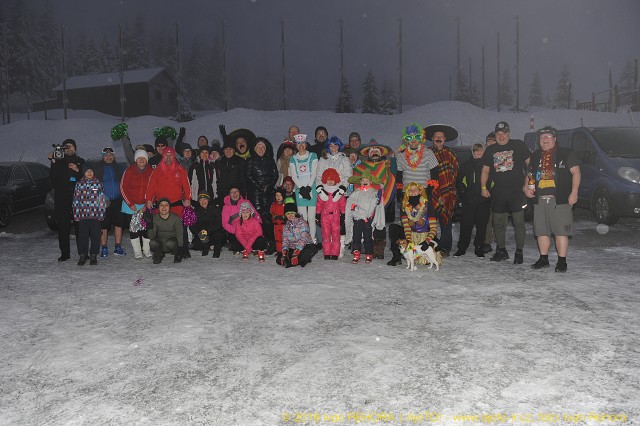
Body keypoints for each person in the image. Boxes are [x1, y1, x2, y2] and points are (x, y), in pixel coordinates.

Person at [525, 126, 581, 272]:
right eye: (542, 137)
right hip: (540, 200)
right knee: (541, 231)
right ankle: (543, 259)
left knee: (561, 231)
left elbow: (576, 172)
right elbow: (530, 174)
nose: (545, 140)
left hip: (559, 200)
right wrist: (526, 187)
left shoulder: (566, 153)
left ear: (555, 139)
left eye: (548, 137)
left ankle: (562, 262)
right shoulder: (535, 155)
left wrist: (574, 192)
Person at [480, 121, 531, 264]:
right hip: (499, 192)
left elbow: (530, 164)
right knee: (498, 222)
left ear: (509, 133)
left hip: (517, 192)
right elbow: (485, 170)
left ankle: (519, 252)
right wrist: (483, 187)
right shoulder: (491, 150)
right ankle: (501, 251)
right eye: (498, 134)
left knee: (518, 222)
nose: (501, 136)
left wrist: (528, 184)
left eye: (503, 133)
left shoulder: (518, 145)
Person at [145, 146, 192, 259]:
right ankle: (159, 250)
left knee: (181, 228)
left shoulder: (180, 170)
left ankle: (183, 249)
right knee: (158, 228)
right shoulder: (156, 171)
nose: (169, 157)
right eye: (166, 155)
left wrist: (188, 198)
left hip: (176, 204)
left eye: (171, 155)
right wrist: (148, 199)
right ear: (163, 156)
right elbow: (151, 186)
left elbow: (187, 185)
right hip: (161, 205)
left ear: (174, 156)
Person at [425, 124, 460, 256]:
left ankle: (445, 248)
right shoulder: (426, 153)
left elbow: (456, 172)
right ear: (432, 138)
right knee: (429, 222)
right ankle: (431, 246)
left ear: (445, 139)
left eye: (441, 137)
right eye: (436, 136)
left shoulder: (450, 153)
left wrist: (450, 188)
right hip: (430, 192)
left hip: (447, 193)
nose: (438, 138)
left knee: (446, 222)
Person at [48, 138, 85, 261]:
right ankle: (65, 253)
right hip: (62, 198)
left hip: (78, 198)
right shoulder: (58, 161)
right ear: (62, 149)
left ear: (75, 148)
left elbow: (87, 179)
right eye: (66, 146)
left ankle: (83, 252)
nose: (69, 148)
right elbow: (52, 179)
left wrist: (77, 170)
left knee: (80, 227)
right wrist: (53, 161)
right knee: (63, 227)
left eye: (71, 146)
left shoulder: (81, 161)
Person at [454, 144, 492, 257]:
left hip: (484, 202)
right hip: (468, 202)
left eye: (481, 150)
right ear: (472, 152)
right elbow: (459, 181)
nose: (479, 152)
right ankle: (462, 247)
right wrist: (464, 195)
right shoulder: (465, 166)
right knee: (465, 226)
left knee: (482, 227)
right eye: (476, 151)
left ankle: (479, 247)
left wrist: (489, 195)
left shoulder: (488, 166)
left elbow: (493, 182)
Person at [245, 137, 278, 251]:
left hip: (268, 192)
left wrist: (268, 186)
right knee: (258, 216)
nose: (261, 149)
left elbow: (275, 175)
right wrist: (259, 187)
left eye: (263, 147)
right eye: (258, 147)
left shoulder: (270, 160)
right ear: (254, 149)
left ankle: (272, 241)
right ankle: (261, 241)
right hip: (255, 193)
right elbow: (248, 176)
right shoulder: (250, 160)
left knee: (268, 215)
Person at [345, 171, 385, 263]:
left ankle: (369, 253)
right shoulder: (356, 192)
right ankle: (356, 253)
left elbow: (377, 201)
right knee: (356, 236)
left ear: (371, 182)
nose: (365, 182)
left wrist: (381, 190)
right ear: (360, 182)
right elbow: (350, 203)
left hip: (368, 219)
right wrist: (355, 208)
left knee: (368, 237)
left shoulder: (373, 192)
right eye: (363, 181)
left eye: (367, 181)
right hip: (357, 218)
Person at [93, 146, 126, 258]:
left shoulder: (118, 167)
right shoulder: (98, 168)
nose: (108, 157)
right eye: (106, 155)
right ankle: (104, 248)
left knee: (119, 224)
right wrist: (99, 198)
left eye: (110, 155)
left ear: (114, 156)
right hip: (104, 201)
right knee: (104, 226)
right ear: (103, 157)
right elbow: (94, 185)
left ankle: (118, 247)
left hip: (118, 199)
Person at [120, 149, 153, 259]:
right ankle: (137, 251)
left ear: (147, 160)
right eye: (139, 158)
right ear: (135, 160)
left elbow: (154, 189)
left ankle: (146, 249)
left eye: (144, 158)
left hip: (145, 205)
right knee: (134, 229)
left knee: (146, 228)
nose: (141, 160)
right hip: (131, 205)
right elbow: (123, 188)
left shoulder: (151, 171)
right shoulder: (129, 171)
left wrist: (148, 204)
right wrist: (130, 204)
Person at [72, 164, 107, 266]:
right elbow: (76, 200)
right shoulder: (79, 184)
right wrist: (76, 215)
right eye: (87, 171)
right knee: (83, 236)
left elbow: (102, 200)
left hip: (95, 215)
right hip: (83, 215)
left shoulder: (98, 184)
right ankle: (82, 255)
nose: (89, 173)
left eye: (91, 171)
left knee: (95, 235)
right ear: (84, 173)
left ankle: (93, 255)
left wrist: (101, 214)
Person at [289, 133, 319, 242]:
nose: (301, 145)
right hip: (299, 190)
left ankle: (312, 239)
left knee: (311, 218)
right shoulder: (293, 159)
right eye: (298, 143)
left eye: (303, 143)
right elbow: (293, 175)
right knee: (302, 218)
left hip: (311, 189)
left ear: (306, 144)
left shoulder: (313, 156)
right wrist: (301, 188)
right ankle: (303, 240)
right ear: (296, 146)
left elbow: (314, 172)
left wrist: (308, 187)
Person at [400, 182, 439, 265]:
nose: (413, 192)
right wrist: (409, 242)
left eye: (415, 190)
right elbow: (406, 227)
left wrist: (427, 241)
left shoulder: (428, 205)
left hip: (426, 236)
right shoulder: (404, 206)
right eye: (410, 190)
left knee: (426, 260)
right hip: (411, 236)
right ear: (407, 193)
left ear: (420, 191)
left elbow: (434, 228)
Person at [315, 168, 346, 260]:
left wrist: (343, 215)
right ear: (325, 180)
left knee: (336, 234)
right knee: (325, 234)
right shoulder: (322, 192)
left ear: (336, 180)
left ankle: (335, 253)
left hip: (336, 216)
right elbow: (319, 204)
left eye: (332, 179)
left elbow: (342, 204)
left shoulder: (339, 193)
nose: (330, 181)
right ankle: (327, 252)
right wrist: (317, 214)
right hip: (325, 216)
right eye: (328, 179)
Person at [278, 197, 318, 268]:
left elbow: (304, 238)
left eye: (292, 213)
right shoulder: (286, 225)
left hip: (304, 246)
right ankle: (292, 260)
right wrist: (284, 251)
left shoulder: (302, 223)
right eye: (288, 214)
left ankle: (298, 259)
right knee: (278, 259)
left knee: (306, 253)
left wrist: (297, 252)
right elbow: (285, 240)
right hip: (293, 247)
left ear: (295, 214)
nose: (290, 215)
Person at [145, 198, 184, 264]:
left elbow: (180, 234)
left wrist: (180, 249)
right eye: (161, 205)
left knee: (170, 243)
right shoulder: (155, 218)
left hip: (172, 241)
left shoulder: (176, 218)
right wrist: (149, 225)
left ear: (169, 207)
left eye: (166, 205)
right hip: (160, 242)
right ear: (158, 207)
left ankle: (177, 253)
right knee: (152, 243)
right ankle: (159, 254)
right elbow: (152, 236)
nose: (164, 207)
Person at [221, 187, 260, 252]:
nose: (234, 193)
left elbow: (256, 215)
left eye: (236, 191)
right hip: (236, 231)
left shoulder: (246, 202)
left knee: (260, 242)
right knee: (236, 246)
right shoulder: (226, 207)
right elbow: (225, 224)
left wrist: (258, 225)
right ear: (229, 194)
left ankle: (250, 246)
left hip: (250, 230)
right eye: (232, 192)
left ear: (239, 193)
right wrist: (236, 231)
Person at [190, 193, 226, 258]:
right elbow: (192, 225)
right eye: (201, 199)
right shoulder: (195, 211)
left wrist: (207, 231)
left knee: (219, 235)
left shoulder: (215, 209)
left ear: (208, 200)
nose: (203, 201)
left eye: (205, 199)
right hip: (202, 233)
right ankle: (206, 246)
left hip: (214, 232)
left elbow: (219, 224)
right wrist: (199, 233)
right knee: (196, 245)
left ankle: (217, 250)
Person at [482, 132, 497, 253]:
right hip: (485, 191)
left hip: (499, 191)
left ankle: (499, 240)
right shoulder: (483, 155)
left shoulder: (501, 155)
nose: (490, 143)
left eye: (493, 141)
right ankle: (486, 242)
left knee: (498, 218)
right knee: (487, 218)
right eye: (488, 141)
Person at [270, 189, 286, 254]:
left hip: (284, 225)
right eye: (277, 195)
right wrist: (274, 218)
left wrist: (284, 217)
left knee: (284, 238)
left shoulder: (285, 204)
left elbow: (287, 213)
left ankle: (285, 250)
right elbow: (272, 213)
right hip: (276, 225)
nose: (278, 197)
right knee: (277, 239)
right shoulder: (274, 205)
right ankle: (279, 251)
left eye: (280, 195)